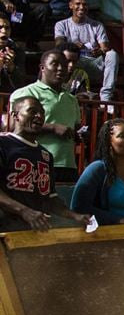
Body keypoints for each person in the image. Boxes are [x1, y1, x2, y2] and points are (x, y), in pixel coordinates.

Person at [0, 96, 91, 232]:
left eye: (42, 112)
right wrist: (24, 211)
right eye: (32, 111)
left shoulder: (45, 155)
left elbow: (49, 199)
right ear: (15, 115)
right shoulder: (3, 144)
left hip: (32, 233)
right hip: (4, 230)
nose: (39, 116)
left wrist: (75, 216)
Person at [11, 49, 81, 183]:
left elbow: (75, 127)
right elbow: (13, 125)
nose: (61, 69)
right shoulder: (26, 93)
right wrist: (52, 127)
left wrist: (79, 134)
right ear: (42, 68)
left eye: (64, 65)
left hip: (67, 164)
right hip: (35, 161)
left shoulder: (72, 99)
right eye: (55, 64)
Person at [53, 0, 120, 102]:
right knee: (62, 56)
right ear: (70, 5)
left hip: (93, 63)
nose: (81, 7)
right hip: (75, 62)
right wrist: (72, 46)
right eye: (78, 4)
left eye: (84, 4)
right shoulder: (61, 24)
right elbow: (59, 44)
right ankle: (63, 91)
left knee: (112, 54)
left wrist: (99, 51)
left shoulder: (97, 25)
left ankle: (106, 96)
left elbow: (105, 47)